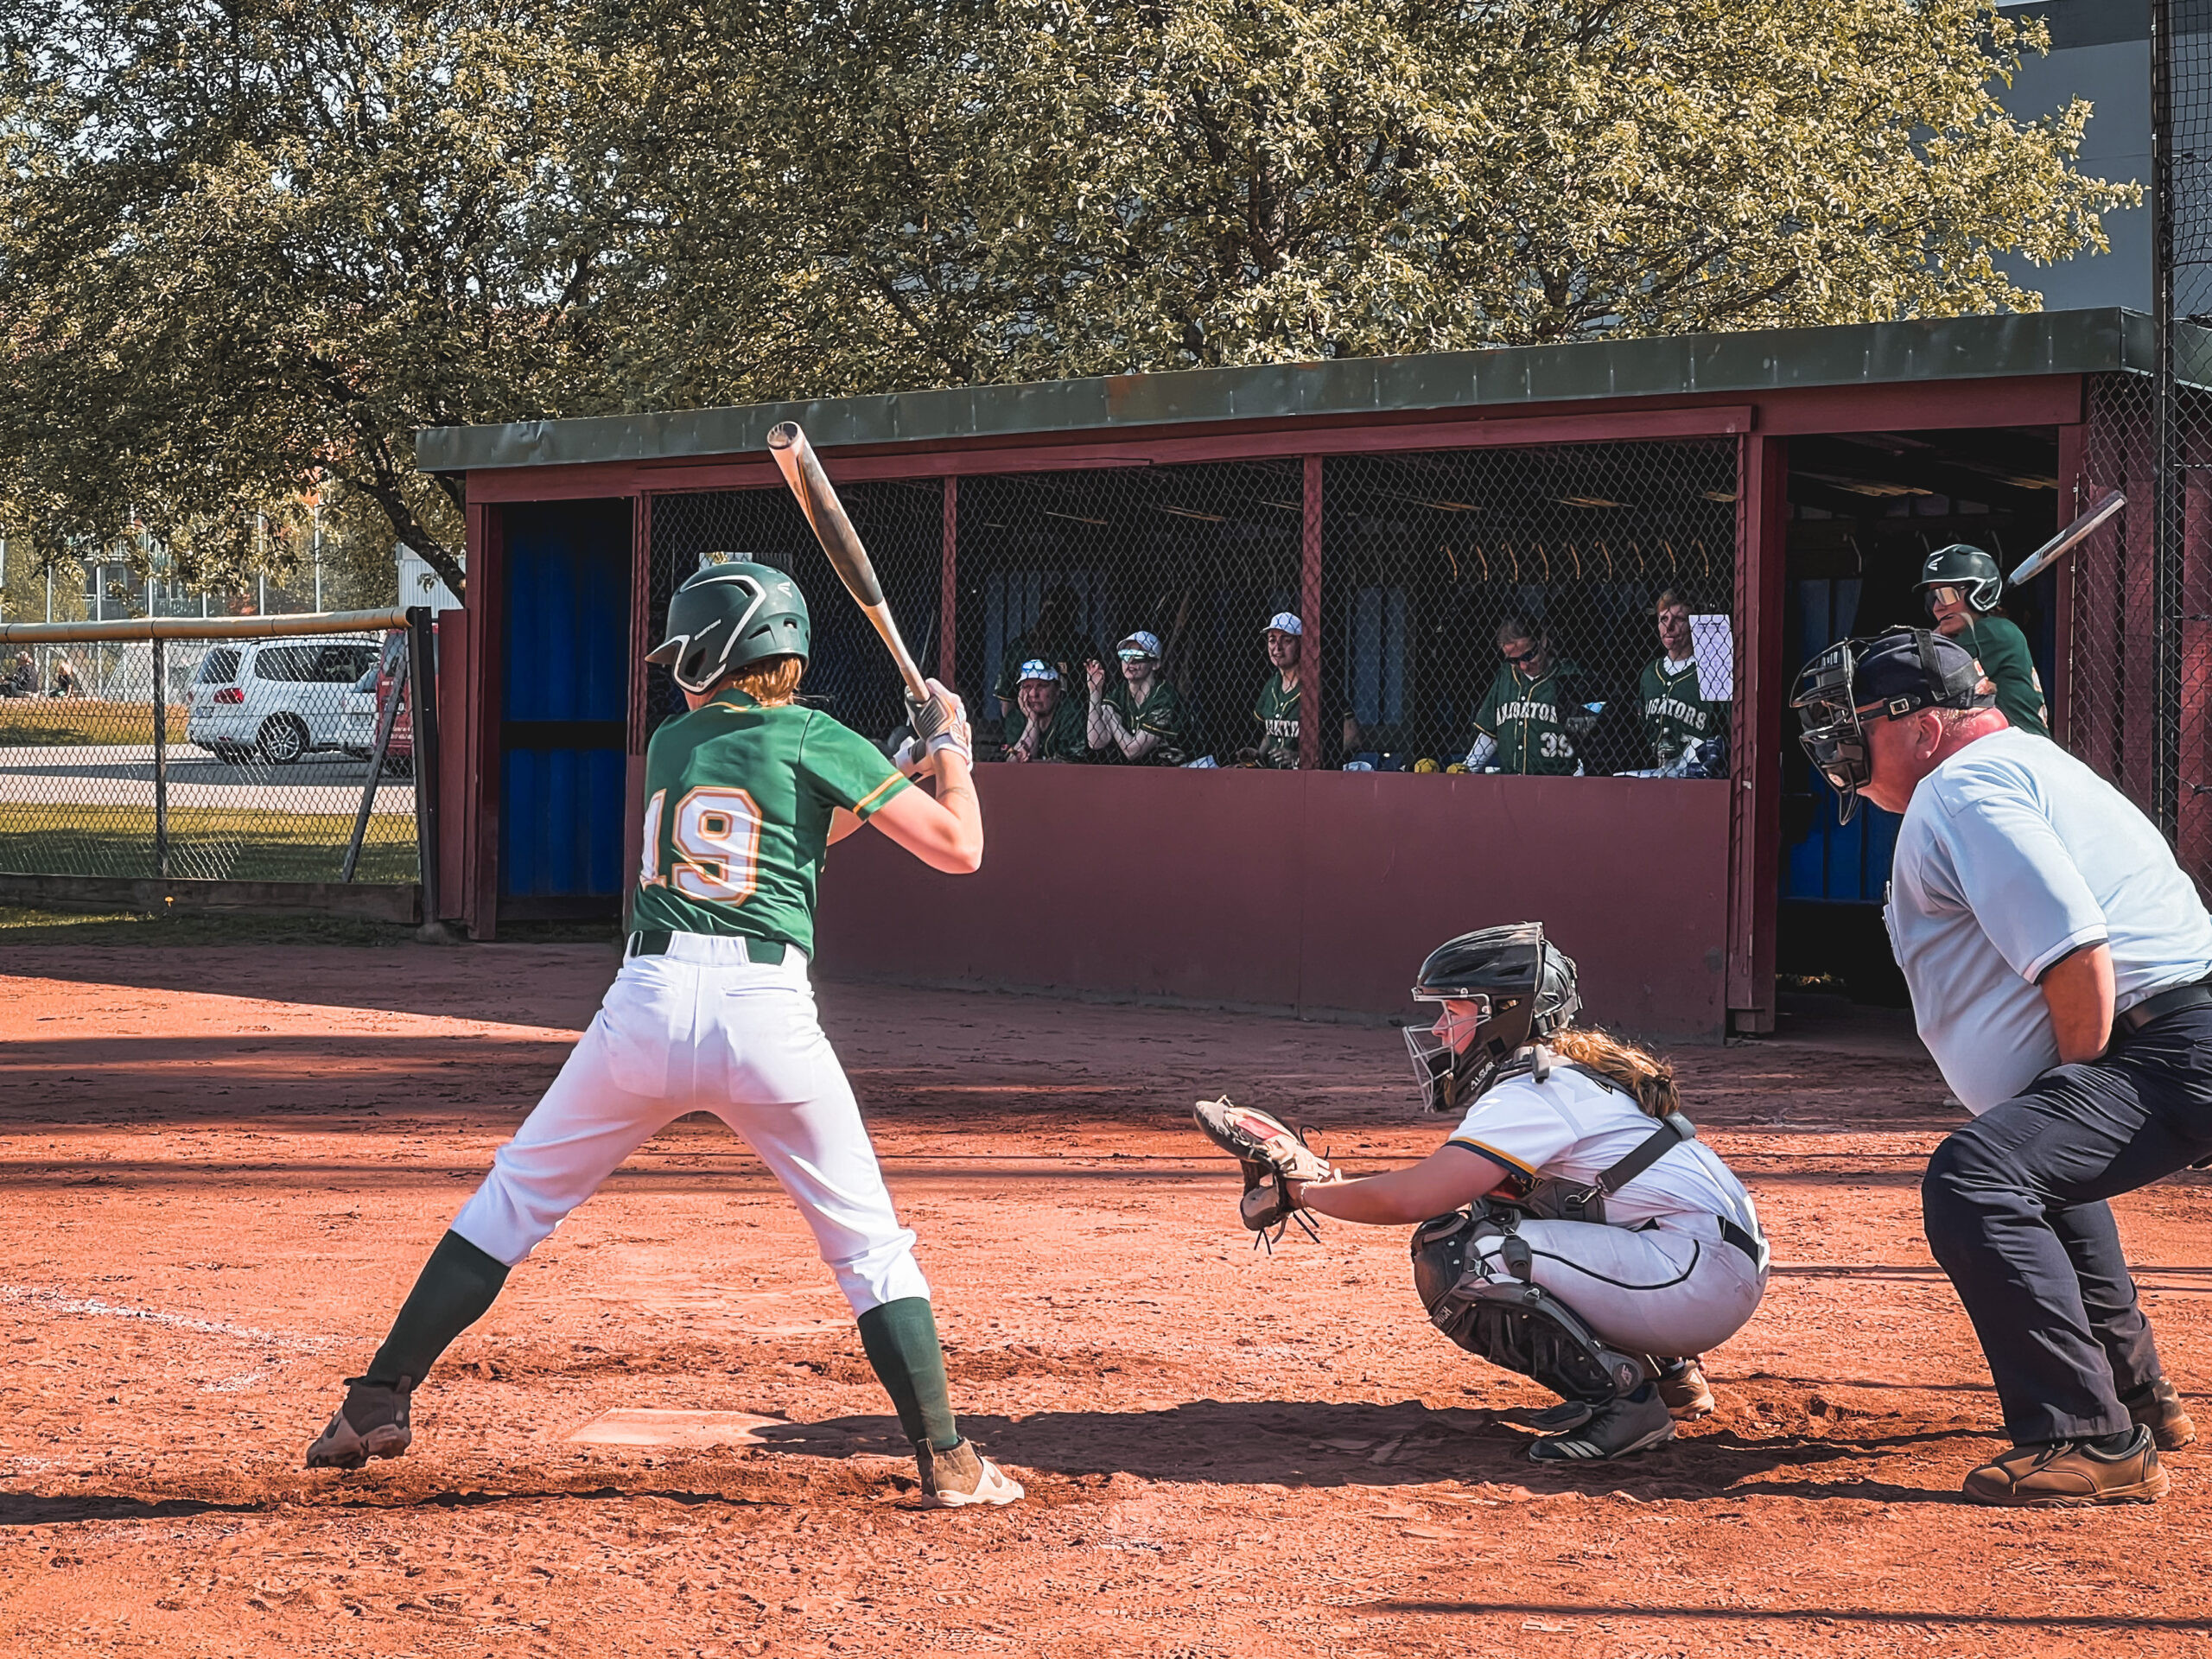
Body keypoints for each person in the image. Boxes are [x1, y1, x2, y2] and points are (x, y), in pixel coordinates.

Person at [305, 559, 1023, 1509]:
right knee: (867, 1248)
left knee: (513, 1200)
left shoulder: (678, 740)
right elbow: (959, 848)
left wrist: (894, 769)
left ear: (723, 654)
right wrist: (954, 749)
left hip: (642, 1005)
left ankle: (374, 1401)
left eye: (691, 651)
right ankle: (946, 1459)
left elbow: (790, 825)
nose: (678, 670)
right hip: (766, 1019)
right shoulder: (814, 734)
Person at [1792, 627, 2212, 1507]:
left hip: (2167, 1039)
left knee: (1977, 1178)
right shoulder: (2015, 768)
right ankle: (2133, 1395)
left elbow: (2077, 950)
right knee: (2035, 1169)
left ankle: (2087, 1438)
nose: (1837, 743)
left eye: (1853, 722)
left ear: (1922, 725)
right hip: (2179, 1036)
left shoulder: (1963, 785)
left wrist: (2072, 1085)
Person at [1201, 923, 1767, 1463]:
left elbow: (1415, 1198)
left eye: (1454, 1011)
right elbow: (1467, 1184)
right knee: (1497, 1206)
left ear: (1505, 1015)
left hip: (1695, 1277)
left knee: (1462, 1254)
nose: (1441, 1030)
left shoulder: (1534, 1090)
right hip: (1702, 1265)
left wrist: (1307, 1192)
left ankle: (1625, 1403)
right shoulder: (1568, 1073)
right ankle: (1668, 1377)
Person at [1915, 543, 2049, 739]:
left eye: (1946, 594)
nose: (1937, 607)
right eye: (1931, 598)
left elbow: (1919, 667)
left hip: (2022, 753)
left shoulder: (1995, 632)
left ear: (1982, 593)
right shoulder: (1980, 634)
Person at [1465, 617, 1582, 775]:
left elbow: (1588, 738)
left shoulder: (1570, 675)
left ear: (1543, 641)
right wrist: (1469, 767)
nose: (1523, 666)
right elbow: (1490, 733)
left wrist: (1582, 776)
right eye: (1514, 660)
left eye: (1528, 656)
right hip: (1512, 782)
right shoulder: (1506, 675)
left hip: (1559, 781)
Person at [1637, 588, 1728, 769]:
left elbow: (1723, 726)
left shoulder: (1711, 670)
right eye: (1663, 619)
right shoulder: (1650, 673)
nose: (1669, 627)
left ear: (1694, 624)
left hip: (1697, 774)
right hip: (1653, 770)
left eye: (1679, 620)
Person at [991, 584, 1095, 720]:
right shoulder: (1082, 647)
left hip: (1051, 726)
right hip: (1068, 727)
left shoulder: (1019, 646)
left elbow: (1006, 705)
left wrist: (1013, 729)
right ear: (1074, 614)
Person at [1086, 629, 1190, 765]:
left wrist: (1110, 716)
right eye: (1125, 655)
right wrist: (1095, 692)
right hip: (1152, 773)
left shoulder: (1165, 697)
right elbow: (1096, 742)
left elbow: (1133, 751)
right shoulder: (1120, 693)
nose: (1131, 661)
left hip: (1187, 769)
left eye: (1139, 655)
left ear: (1155, 664)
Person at [1239, 613, 1305, 768]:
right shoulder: (1271, 685)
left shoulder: (1317, 687)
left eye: (1287, 640)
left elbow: (1350, 738)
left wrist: (1299, 758)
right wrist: (1257, 756)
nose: (1277, 648)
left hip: (1304, 779)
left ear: (1301, 643)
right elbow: (1271, 733)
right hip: (1271, 776)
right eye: (1272, 640)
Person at [1001, 658, 1088, 763]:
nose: (1033, 694)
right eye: (1027, 687)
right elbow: (1013, 763)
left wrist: (1031, 763)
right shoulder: (1016, 716)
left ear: (1057, 689)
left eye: (1041, 686)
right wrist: (1032, 721)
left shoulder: (1071, 711)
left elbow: (1071, 763)